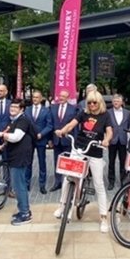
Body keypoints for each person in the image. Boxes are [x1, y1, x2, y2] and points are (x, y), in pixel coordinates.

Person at [53, 90, 112, 232]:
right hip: (79, 148)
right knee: (67, 178)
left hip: (95, 151)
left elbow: (109, 131)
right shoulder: (83, 113)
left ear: (100, 103)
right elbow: (71, 124)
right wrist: (62, 130)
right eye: (89, 102)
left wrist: (106, 140)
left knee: (99, 184)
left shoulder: (105, 115)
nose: (91, 105)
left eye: (94, 102)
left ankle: (103, 217)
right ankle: (62, 206)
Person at [0, 98, 35, 226]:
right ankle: (22, 210)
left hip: (20, 157)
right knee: (17, 185)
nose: (12, 109)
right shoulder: (13, 121)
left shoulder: (23, 120)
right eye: (11, 107)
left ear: (22, 109)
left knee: (19, 186)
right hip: (14, 156)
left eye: (15, 107)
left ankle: (25, 213)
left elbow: (15, 137)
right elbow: (8, 139)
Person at [50, 89, 78, 191]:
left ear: (68, 98)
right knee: (56, 161)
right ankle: (57, 182)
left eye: (63, 96)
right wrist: (50, 139)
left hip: (68, 140)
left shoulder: (73, 109)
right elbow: (51, 124)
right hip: (56, 139)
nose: (61, 98)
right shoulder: (53, 108)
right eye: (60, 96)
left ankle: (68, 182)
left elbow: (75, 126)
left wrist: (74, 140)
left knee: (68, 162)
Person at [25, 89, 53, 194]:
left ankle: (42, 185)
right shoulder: (27, 110)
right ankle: (27, 183)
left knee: (42, 162)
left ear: (41, 99)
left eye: (37, 97)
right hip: (29, 140)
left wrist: (42, 134)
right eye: (33, 97)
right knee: (28, 162)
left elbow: (49, 125)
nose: (35, 99)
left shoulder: (46, 111)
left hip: (41, 139)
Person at [106, 94, 130, 191]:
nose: (116, 102)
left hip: (122, 140)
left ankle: (123, 181)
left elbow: (128, 126)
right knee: (111, 162)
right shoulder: (108, 113)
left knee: (123, 161)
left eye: (118, 101)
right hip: (112, 140)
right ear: (112, 102)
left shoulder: (127, 113)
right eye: (114, 101)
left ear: (122, 102)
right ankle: (111, 181)